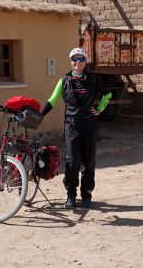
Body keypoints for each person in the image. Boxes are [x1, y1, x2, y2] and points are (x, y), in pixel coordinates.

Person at [40, 47, 102, 209]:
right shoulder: (64, 80)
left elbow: (107, 94)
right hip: (72, 124)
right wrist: (40, 115)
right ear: (71, 61)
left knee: (88, 161)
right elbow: (52, 100)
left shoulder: (92, 79)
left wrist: (100, 108)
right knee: (72, 161)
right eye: (75, 59)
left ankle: (86, 195)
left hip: (89, 123)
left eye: (81, 59)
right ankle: (71, 195)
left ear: (85, 62)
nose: (78, 62)